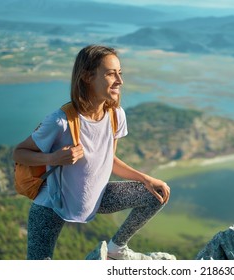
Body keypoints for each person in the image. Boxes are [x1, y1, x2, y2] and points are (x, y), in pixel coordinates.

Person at [13, 45, 170, 260]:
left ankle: (117, 249)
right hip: (52, 203)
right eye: (110, 73)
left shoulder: (116, 115)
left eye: (120, 73)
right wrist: (53, 158)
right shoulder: (60, 121)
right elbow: (19, 153)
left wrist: (146, 179)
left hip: (97, 197)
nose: (119, 81)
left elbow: (109, 161)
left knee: (158, 194)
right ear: (87, 77)